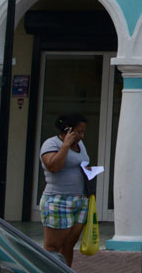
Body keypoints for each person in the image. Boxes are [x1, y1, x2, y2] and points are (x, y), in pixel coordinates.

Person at [39, 112, 90, 267]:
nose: (81, 136)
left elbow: (81, 163)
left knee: (68, 244)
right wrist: (66, 145)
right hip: (58, 199)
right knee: (54, 246)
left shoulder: (80, 145)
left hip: (79, 200)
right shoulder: (51, 144)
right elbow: (54, 166)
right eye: (79, 131)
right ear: (68, 129)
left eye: (83, 132)